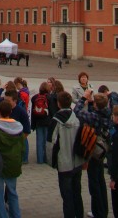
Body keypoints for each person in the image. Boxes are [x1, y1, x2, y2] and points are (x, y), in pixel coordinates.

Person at [46, 90, 84, 218]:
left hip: (64, 162)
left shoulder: (56, 120)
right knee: (77, 193)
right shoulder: (77, 118)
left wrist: (52, 162)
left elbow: (51, 142)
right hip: (77, 161)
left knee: (67, 195)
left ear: (58, 104)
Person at [74, 91, 111, 218]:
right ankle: (103, 210)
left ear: (95, 104)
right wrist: (92, 102)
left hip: (94, 151)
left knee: (94, 183)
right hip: (103, 150)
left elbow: (77, 112)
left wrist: (83, 98)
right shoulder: (107, 112)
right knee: (100, 181)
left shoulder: (95, 116)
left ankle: (98, 212)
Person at [31, 81, 51, 164]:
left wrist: (33, 124)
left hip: (38, 121)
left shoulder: (35, 97)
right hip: (47, 121)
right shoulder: (50, 97)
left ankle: (39, 159)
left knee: (39, 141)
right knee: (46, 141)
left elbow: (33, 111)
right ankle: (46, 158)